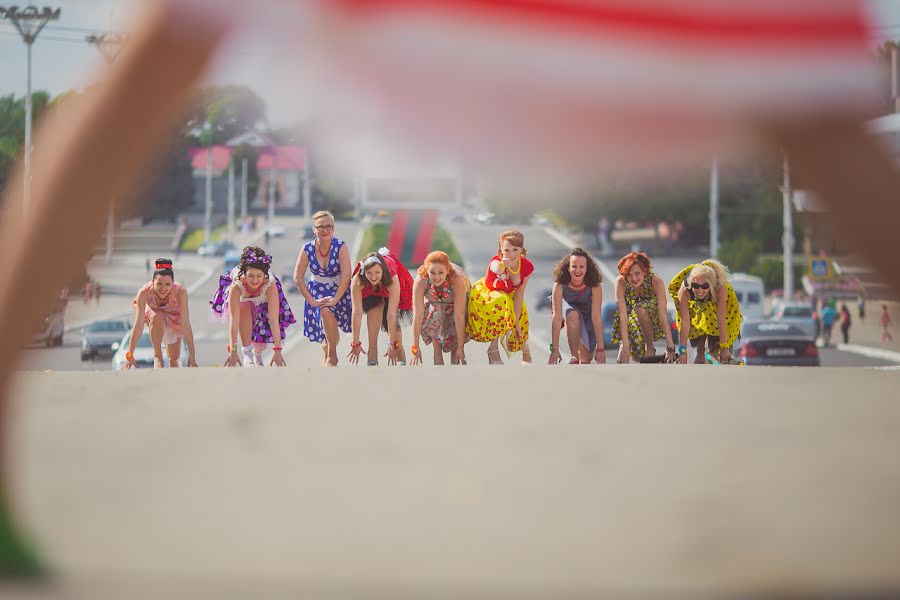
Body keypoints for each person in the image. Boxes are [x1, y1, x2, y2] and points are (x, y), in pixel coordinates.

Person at [210, 246, 295, 367]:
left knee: (263, 326)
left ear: (265, 275)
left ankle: (257, 354)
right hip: (243, 300)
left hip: (263, 299)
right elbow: (234, 322)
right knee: (244, 308)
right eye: (251, 276)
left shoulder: (270, 286)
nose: (255, 280)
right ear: (243, 274)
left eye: (259, 276)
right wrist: (232, 352)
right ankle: (247, 353)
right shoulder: (237, 286)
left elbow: (273, 320)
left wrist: (277, 351)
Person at [466, 230, 534, 365]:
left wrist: (515, 322)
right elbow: (495, 269)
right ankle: (493, 349)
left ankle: (525, 349)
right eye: (507, 250)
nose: (511, 254)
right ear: (501, 250)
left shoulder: (526, 266)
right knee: (502, 301)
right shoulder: (496, 261)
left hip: (509, 296)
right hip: (488, 294)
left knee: (519, 314)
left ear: (521, 249)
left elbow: (519, 294)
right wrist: (503, 265)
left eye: (515, 249)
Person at [294, 210, 352, 366]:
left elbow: (347, 275)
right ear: (314, 229)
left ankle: (331, 354)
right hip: (316, 290)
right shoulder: (307, 248)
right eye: (321, 227)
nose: (325, 230)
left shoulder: (340, 246)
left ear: (333, 228)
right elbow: (297, 277)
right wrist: (312, 301)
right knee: (324, 314)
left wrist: (335, 299)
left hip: (339, 289)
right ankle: (329, 351)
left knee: (327, 310)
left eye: (329, 226)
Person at [124, 258, 198, 369]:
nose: (163, 289)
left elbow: (185, 324)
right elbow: (138, 325)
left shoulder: (181, 292)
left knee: (174, 357)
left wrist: (192, 354)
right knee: (157, 315)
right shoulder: (144, 292)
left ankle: (172, 365)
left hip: (174, 316)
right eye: (159, 284)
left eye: (168, 284)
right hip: (153, 312)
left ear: (173, 284)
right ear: (152, 282)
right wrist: (130, 355)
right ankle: (157, 355)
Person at [348, 248, 414, 366]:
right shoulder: (358, 279)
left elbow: (391, 315)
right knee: (374, 310)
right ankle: (372, 353)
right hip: (370, 291)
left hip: (389, 287)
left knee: (393, 329)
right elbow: (356, 313)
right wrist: (355, 343)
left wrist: (392, 344)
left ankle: (400, 353)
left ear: (383, 270)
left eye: (377, 272)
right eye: (369, 273)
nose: (373, 277)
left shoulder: (392, 278)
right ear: (364, 272)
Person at [669, 259, 742, 365]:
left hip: (726, 312)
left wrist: (724, 348)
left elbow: (721, 318)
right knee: (698, 318)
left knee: (724, 353)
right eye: (695, 286)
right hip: (697, 308)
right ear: (691, 283)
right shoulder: (685, 291)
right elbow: (685, 322)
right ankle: (700, 350)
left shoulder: (720, 288)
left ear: (711, 285)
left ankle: (713, 352)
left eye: (704, 286)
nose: (699, 290)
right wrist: (682, 352)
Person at [611, 251, 675, 363]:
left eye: (637, 273)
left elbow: (663, 315)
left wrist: (670, 347)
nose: (634, 278)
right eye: (629, 275)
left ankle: (650, 347)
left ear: (644, 271)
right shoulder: (621, 282)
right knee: (637, 358)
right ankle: (627, 345)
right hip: (630, 320)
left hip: (653, 319)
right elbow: (622, 315)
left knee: (640, 308)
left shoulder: (656, 282)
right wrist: (625, 345)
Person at [410, 251, 471, 366]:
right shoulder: (421, 280)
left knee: (455, 349)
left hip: (458, 305)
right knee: (437, 312)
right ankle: (437, 355)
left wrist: (461, 347)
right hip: (436, 306)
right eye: (432, 272)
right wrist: (415, 347)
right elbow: (417, 316)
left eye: (440, 273)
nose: (436, 277)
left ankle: (455, 360)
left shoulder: (457, 280)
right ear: (427, 271)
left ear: (447, 271)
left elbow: (459, 315)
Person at [548, 248, 606, 365]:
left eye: (581, 267)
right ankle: (574, 356)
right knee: (573, 315)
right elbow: (557, 317)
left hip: (586, 313)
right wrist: (554, 349)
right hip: (567, 309)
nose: (577, 270)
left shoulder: (594, 285)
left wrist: (600, 349)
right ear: (568, 268)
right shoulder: (560, 284)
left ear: (587, 268)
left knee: (586, 359)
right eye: (574, 266)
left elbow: (596, 317)